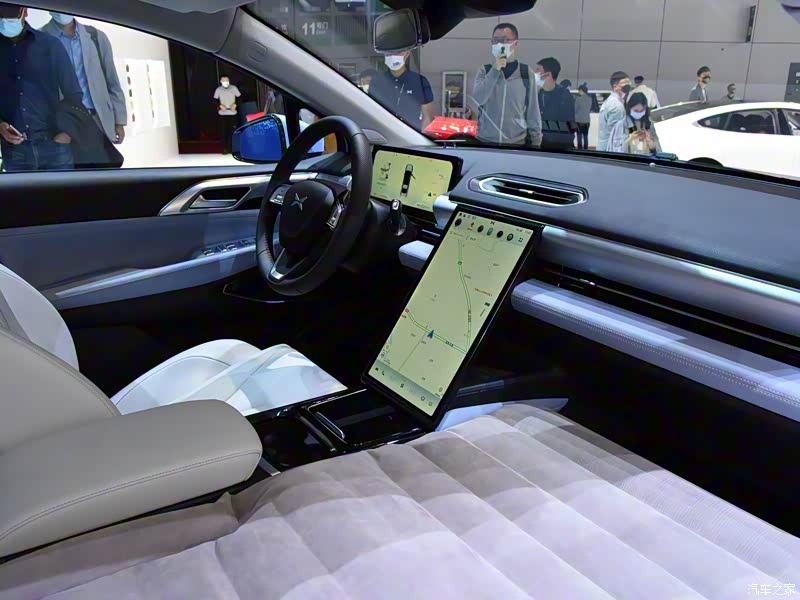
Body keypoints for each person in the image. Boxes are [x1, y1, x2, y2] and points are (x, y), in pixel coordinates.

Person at [0, 3, 82, 172]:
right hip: (14, 152)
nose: (4, 20)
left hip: (55, 146)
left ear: (24, 11)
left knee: (63, 190)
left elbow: (73, 93)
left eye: (9, 16)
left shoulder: (49, 45)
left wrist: (66, 134)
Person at [40, 12, 127, 145]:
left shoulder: (96, 36)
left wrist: (119, 120)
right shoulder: (39, 39)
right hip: (63, 126)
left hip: (98, 119)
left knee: (103, 158)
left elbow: (112, 80)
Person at [472, 22, 542, 147]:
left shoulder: (526, 73)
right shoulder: (485, 71)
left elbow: (533, 111)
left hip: (516, 143)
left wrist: (536, 142)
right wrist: (495, 70)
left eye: (505, 40)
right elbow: (478, 99)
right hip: (485, 142)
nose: (500, 44)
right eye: (495, 40)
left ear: (515, 43)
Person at [368, 51, 435, 131]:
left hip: (410, 134)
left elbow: (427, 117)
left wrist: (419, 137)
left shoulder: (420, 81)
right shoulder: (377, 82)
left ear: (407, 54)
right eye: (389, 53)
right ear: (384, 54)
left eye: (398, 52)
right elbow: (371, 112)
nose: (393, 56)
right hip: (383, 134)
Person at [534, 57, 575, 150]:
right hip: (539, 147)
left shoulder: (564, 96)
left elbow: (569, 127)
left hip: (559, 149)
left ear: (548, 74)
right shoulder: (537, 94)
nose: (535, 73)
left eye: (538, 70)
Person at [597, 70, 631, 153]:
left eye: (629, 82)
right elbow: (617, 138)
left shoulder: (611, 101)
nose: (628, 85)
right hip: (611, 151)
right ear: (615, 87)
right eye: (625, 83)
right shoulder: (616, 106)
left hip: (605, 148)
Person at [621, 92, 661, 156]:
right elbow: (616, 150)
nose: (639, 113)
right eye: (636, 111)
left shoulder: (650, 124)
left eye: (642, 110)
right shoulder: (622, 124)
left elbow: (658, 149)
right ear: (629, 108)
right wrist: (630, 139)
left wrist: (650, 142)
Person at [214, 75, 241, 155]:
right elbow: (214, 100)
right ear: (221, 81)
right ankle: (224, 148)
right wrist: (220, 106)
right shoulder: (218, 90)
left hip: (233, 113)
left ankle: (234, 148)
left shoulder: (233, 88)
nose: (226, 82)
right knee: (223, 131)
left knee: (233, 131)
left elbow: (240, 97)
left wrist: (235, 104)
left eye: (227, 80)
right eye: (224, 81)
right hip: (223, 113)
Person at [574, 83, 593, 150]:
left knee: (579, 136)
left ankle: (579, 150)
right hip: (587, 120)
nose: (578, 92)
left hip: (579, 120)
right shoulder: (590, 99)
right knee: (585, 136)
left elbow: (575, 109)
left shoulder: (578, 99)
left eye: (579, 91)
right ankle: (586, 149)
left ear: (582, 91)